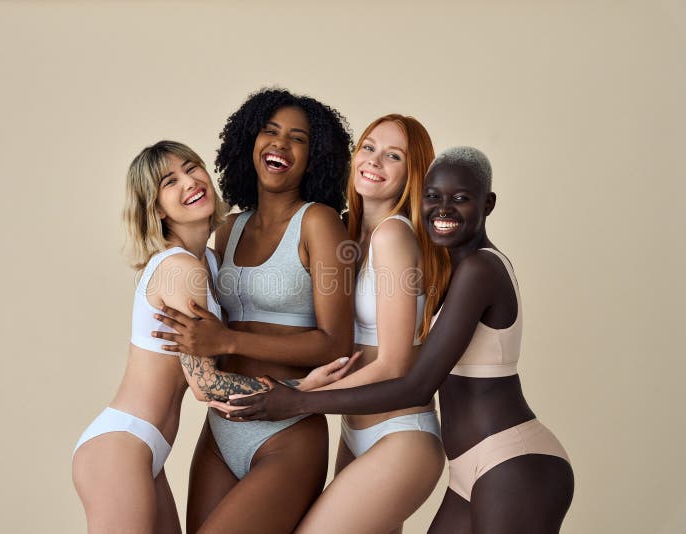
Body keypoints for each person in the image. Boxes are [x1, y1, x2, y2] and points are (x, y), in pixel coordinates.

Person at [215, 146, 575, 534]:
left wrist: (298, 401)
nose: (444, 209)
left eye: (460, 199)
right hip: (468, 469)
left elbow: (416, 384)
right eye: (433, 198)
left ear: (487, 204)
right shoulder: (450, 267)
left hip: (512, 460)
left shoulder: (480, 269)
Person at [71, 140, 353, 534]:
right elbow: (206, 386)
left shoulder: (208, 259)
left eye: (192, 167)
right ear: (156, 209)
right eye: (170, 181)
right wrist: (302, 388)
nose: (190, 182)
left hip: (144, 449)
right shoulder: (181, 269)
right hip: (119, 447)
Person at [150, 88, 356, 533]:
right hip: (221, 432)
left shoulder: (320, 222)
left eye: (297, 138)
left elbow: (336, 343)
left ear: (315, 156)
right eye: (270, 131)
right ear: (250, 142)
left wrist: (228, 340)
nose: (280, 143)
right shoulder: (228, 229)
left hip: (286, 432)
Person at [287, 114, 450, 534]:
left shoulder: (393, 236)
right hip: (355, 432)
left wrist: (302, 398)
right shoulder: (350, 232)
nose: (374, 160)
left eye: (393, 155)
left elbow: (394, 365)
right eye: (369, 147)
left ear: (411, 175)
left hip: (399, 437)